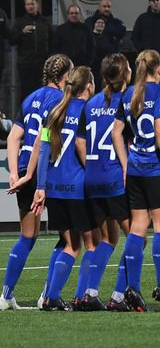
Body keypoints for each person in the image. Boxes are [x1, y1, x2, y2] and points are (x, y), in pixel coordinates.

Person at [0, 54, 72, 311]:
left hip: (22, 168)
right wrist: (32, 175)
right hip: (46, 172)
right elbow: (43, 142)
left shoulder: (31, 98)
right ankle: (47, 295)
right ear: (65, 76)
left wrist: (14, 173)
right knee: (68, 238)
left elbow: (13, 138)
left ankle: (6, 296)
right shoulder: (62, 100)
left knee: (27, 236)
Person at [112, 49, 160, 312]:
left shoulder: (129, 94)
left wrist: (126, 163)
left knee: (138, 227)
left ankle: (132, 289)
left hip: (136, 171)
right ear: (159, 69)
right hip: (156, 170)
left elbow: (117, 132)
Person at [32, 66, 95, 311]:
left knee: (68, 243)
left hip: (54, 187)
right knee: (88, 245)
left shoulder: (55, 111)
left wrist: (40, 186)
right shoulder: (87, 110)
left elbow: (44, 150)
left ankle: (51, 297)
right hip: (77, 187)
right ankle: (80, 296)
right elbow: (86, 149)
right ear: (88, 86)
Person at [78, 53, 134, 312]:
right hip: (115, 179)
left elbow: (80, 142)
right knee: (137, 237)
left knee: (109, 238)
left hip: (92, 178)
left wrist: (91, 168)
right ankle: (119, 296)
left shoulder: (90, 104)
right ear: (124, 75)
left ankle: (89, 293)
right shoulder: (130, 100)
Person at [10, 0, 54, 99]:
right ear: (25, 7)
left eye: (32, 4)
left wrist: (49, 57)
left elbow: (52, 41)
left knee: (42, 91)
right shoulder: (20, 22)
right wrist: (22, 32)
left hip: (43, 64)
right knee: (26, 92)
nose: (30, 6)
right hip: (26, 63)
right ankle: (26, 113)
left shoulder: (45, 22)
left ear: (37, 5)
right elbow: (12, 40)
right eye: (28, 4)